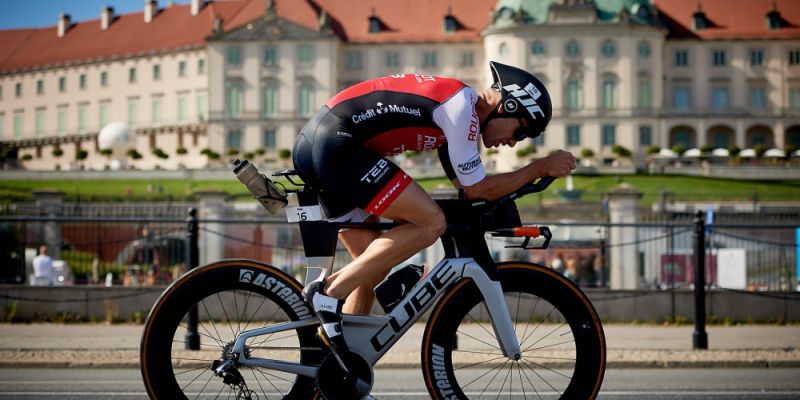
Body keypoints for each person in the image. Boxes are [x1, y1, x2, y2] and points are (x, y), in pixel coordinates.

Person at [295, 62, 577, 365]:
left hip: (327, 142)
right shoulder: (461, 110)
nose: (513, 142)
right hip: (338, 144)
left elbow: (467, 188)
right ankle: (328, 293)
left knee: (369, 271)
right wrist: (540, 166)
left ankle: (337, 368)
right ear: (507, 105)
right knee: (431, 222)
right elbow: (479, 189)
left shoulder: (459, 113)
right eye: (521, 131)